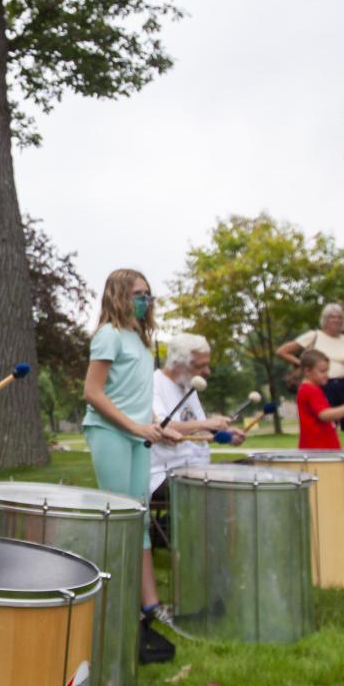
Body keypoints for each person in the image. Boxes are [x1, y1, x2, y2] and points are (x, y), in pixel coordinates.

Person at [81, 270, 182, 661]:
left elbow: (137, 397)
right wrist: (134, 426)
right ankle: (112, 606)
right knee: (119, 519)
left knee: (139, 520)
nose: (146, 300)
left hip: (139, 434)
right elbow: (92, 392)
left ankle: (149, 606)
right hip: (109, 434)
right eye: (138, 294)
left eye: (149, 294)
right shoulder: (108, 334)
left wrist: (153, 426)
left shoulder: (143, 339)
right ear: (120, 295)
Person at [151, 333, 247, 493]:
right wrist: (206, 423)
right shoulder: (154, 384)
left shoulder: (188, 386)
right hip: (164, 474)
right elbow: (162, 428)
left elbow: (197, 432)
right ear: (177, 364)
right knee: (229, 481)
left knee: (252, 467)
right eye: (199, 366)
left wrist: (225, 434)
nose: (207, 371)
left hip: (198, 469)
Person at [277, 303, 344, 447]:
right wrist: (303, 364)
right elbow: (282, 351)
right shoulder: (314, 336)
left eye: (339, 317)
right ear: (324, 319)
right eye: (331, 317)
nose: (336, 320)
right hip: (325, 386)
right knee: (326, 422)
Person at [294, 349, 344, 449]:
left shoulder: (310, 389)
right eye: (322, 371)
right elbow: (325, 415)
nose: (327, 375)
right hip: (319, 449)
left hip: (321, 447)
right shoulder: (311, 390)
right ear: (308, 371)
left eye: (327, 371)